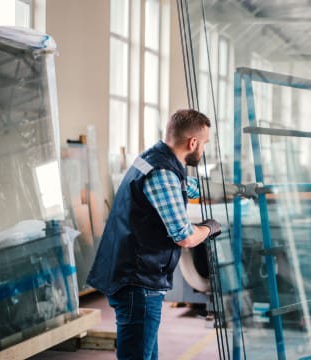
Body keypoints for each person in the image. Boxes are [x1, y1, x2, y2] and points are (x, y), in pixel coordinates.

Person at [87, 109, 222, 360]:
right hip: (138, 281)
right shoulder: (162, 173)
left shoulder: (152, 158)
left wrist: (228, 189)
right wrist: (210, 227)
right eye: (204, 144)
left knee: (146, 355)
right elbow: (184, 235)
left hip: (131, 274)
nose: (203, 149)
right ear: (192, 143)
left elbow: (183, 185)